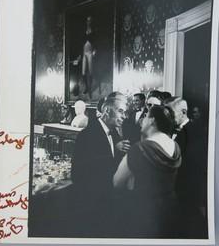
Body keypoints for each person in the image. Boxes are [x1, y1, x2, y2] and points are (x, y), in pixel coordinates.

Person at [113, 105, 181, 238]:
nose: (142, 120)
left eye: (145, 116)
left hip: (143, 212)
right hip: (170, 211)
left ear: (152, 121)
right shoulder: (175, 146)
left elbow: (117, 183)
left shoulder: (139, 149)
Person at [71, 95, 128, 237]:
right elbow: (78, 173)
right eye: (120, 111)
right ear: (107, 111)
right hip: (91, 204)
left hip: (110, 202)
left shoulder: (115, 133)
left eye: (125, 112)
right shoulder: (87, 135)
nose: (124, 116)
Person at [165, 97, 208, 238]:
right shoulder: (171, 130)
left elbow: (193, 167)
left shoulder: (196, 133)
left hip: (187, 194)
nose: (166, 117)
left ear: (183, 112)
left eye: (170, 113)